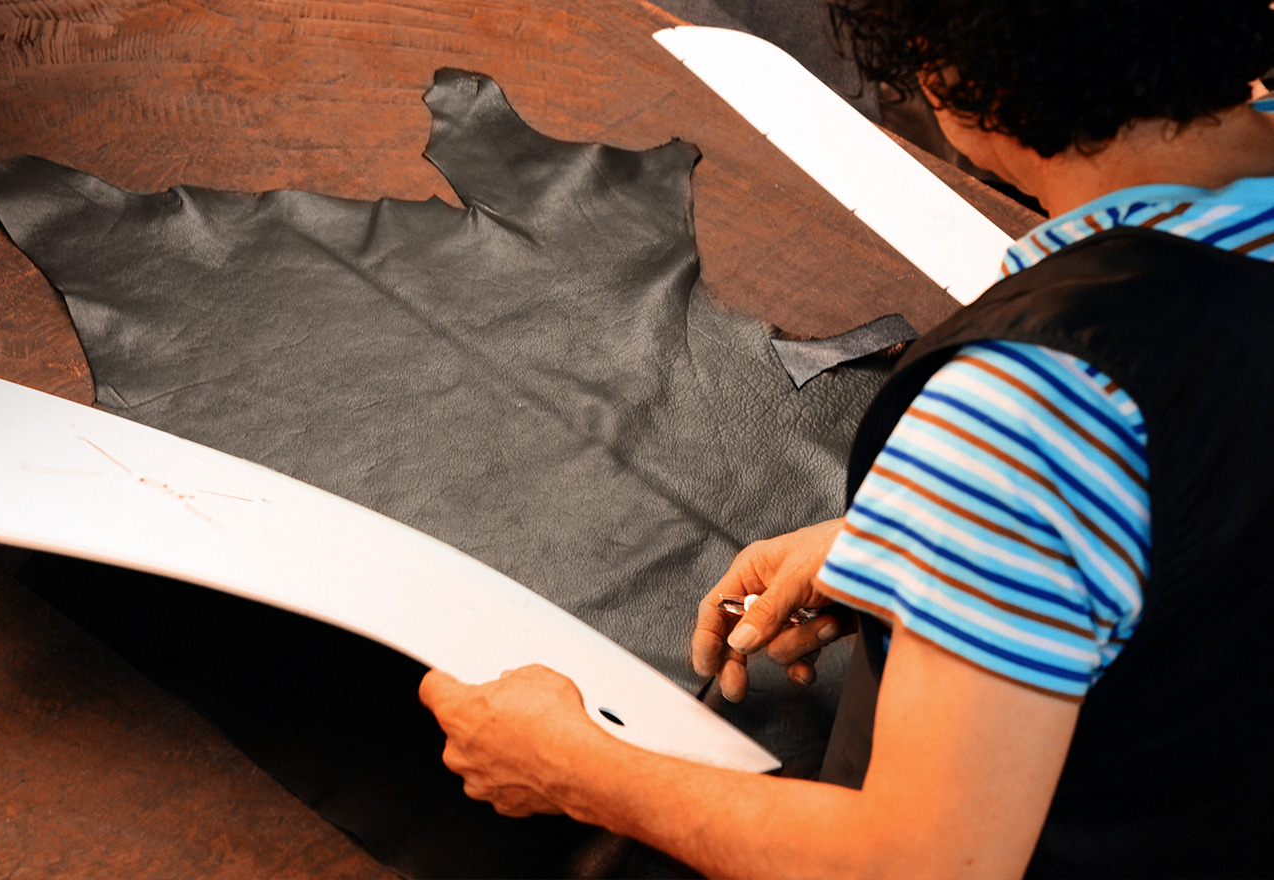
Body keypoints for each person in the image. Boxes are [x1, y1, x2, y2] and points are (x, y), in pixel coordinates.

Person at [419, 1, 1274, 876]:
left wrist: (570, 769)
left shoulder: (1032, 407)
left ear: (947, 76)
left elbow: (918, 865)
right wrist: (980, 543)